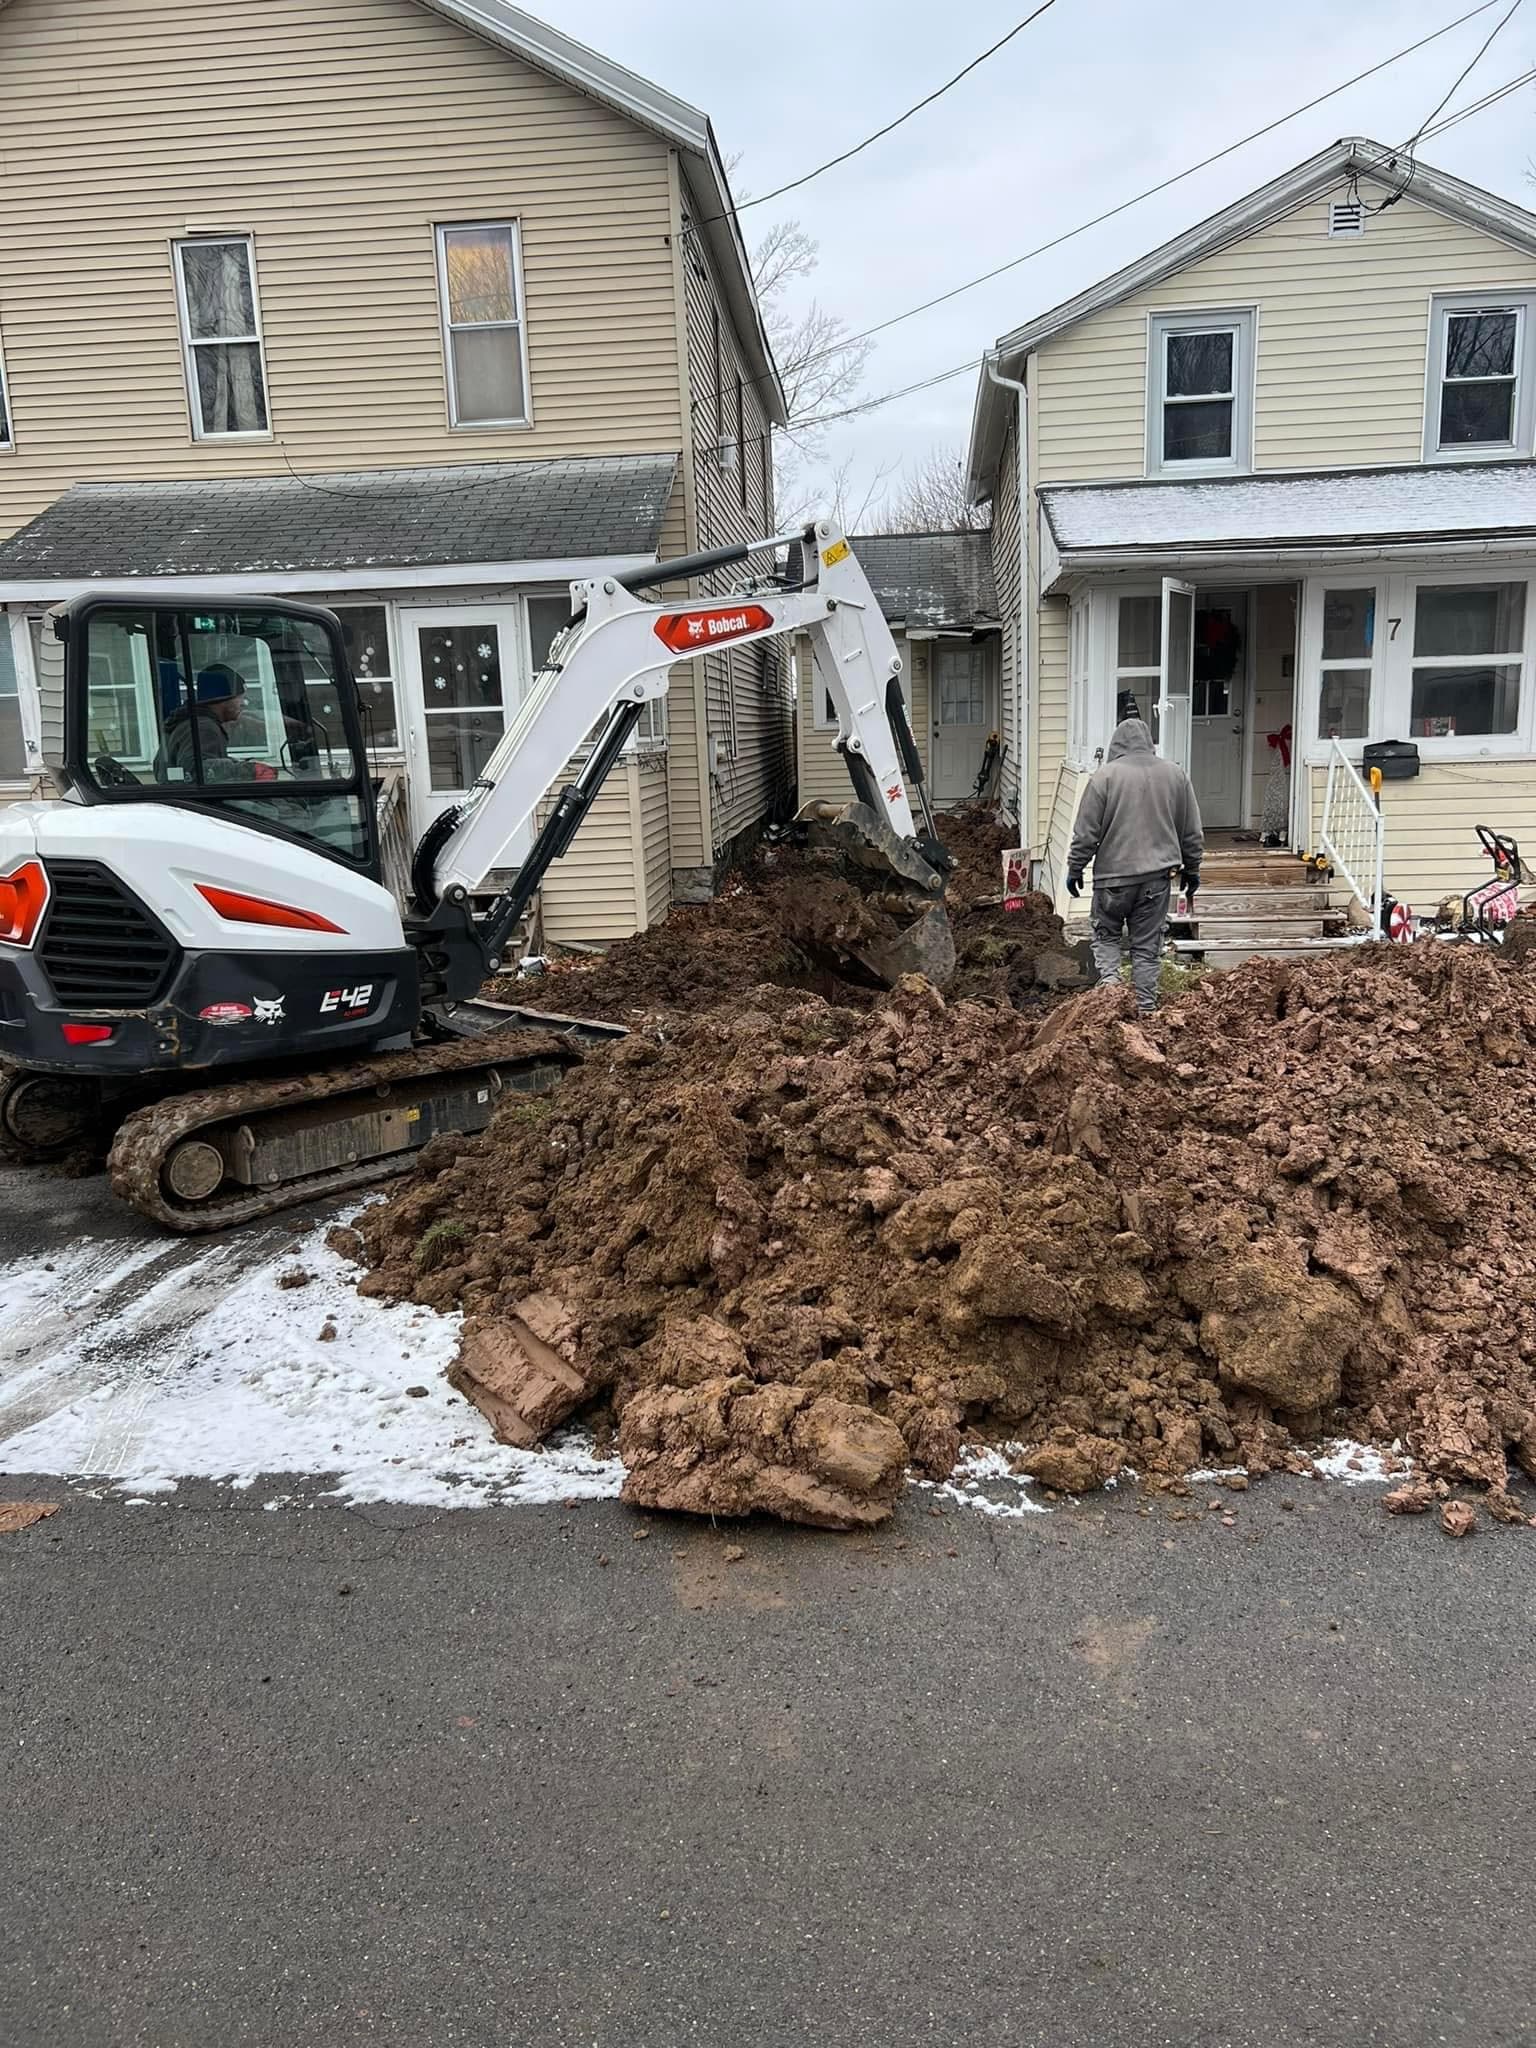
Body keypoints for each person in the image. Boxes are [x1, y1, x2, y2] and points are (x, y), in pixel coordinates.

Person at [1065, 717, 1203, 1015]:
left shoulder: (1104, 777)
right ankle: (1145, 1012)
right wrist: (1192, 869)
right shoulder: (1176, 775)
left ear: (1116, 745)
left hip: (1113, 880)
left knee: (1107, 937)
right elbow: (1191, 832)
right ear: (1149, 743)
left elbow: (1086, 833)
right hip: (1157, 879)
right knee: (1146, 947)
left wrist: (1075, 868)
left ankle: (1111, 997)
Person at [161, 666, 266, 782]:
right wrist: (249, 770)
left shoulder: (190, 722)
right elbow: (195, 772)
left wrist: (234, 762)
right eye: (240, 698)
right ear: (223, 699)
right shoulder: (203, 728)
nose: (244, 703)